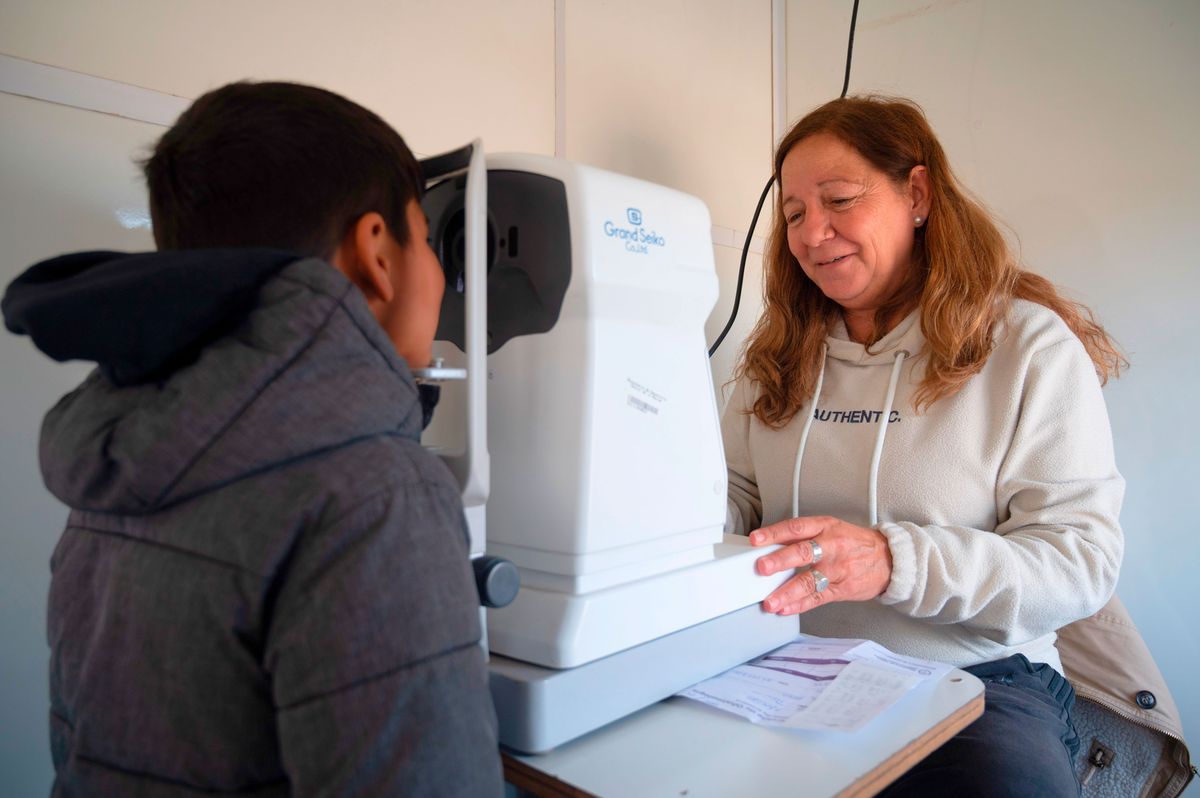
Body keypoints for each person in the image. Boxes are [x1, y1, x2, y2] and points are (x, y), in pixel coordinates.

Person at [1, 81, 504, 796]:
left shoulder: (129, 454)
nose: (438, 270)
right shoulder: (377, 492)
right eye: (423, 237)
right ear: (376, 253)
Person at [723, 95, 1126, 796]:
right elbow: (732, 499)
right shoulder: (776, 361)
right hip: (790, 668)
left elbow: (1080, 561)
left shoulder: (1027, 348)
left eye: (839, 200)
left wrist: (893, 561)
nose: (812, 234)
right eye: (792, 215)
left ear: (916, 194)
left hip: (980, 679)